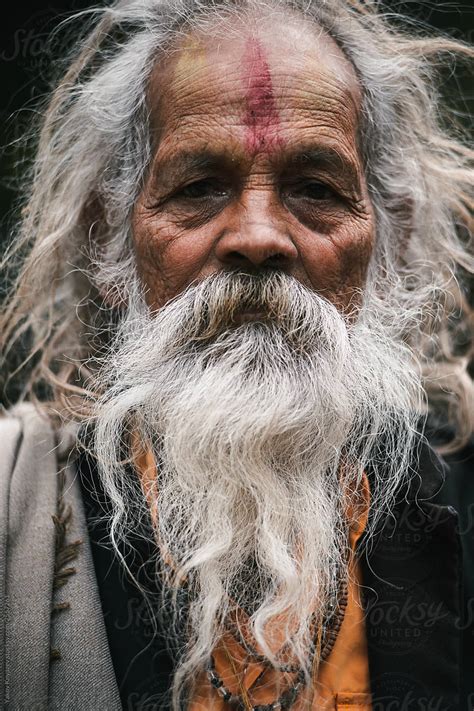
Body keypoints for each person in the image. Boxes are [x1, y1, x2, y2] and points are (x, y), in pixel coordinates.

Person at [1, 0, 473, 709]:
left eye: (316, 189)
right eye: (198, 188)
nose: (258, 237)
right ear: (109, 243)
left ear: (392, 248)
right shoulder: (14, 516)